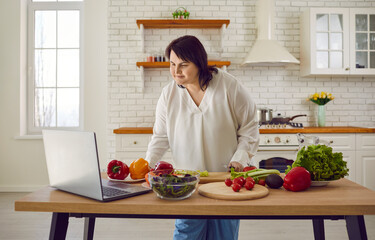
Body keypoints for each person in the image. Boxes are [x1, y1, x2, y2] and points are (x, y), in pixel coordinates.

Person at [145, 35, 259, 240]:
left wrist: (240, 159)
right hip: (187, 186)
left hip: (225, 183)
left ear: (199, 63)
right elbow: (160, 136)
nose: (176, 71)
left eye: (183, 65)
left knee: (224, 237)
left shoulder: (229, 86)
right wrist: (147, 166)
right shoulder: (168, 94)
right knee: (185, 235)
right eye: (172, 64)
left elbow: (249, 129)